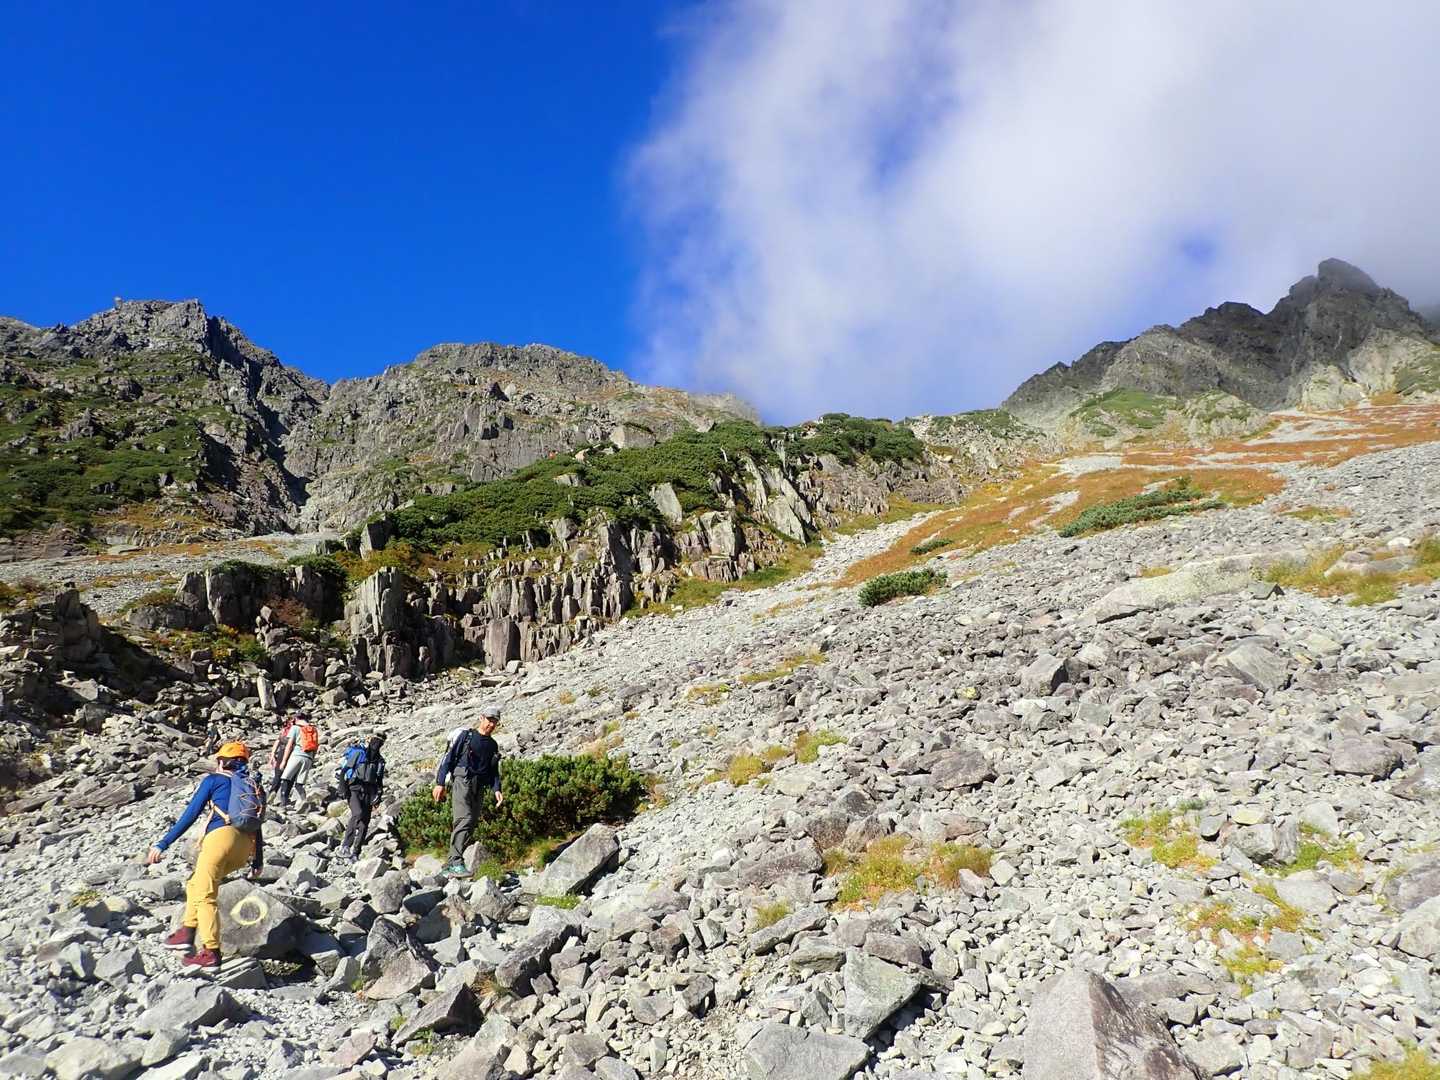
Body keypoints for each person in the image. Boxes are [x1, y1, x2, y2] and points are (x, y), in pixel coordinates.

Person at [146, 742, 265, 970]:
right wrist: (257, 859)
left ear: (222, 762)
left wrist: (164, 843)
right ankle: (187, 932)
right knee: (196, 883)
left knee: (205, 895)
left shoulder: (214, 780)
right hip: (243, 848)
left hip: (220, 839)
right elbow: (256, 823)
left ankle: (211, 952)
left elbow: (191, 813)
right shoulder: (251, 787)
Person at [432, 705, 504, 876]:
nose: (491, 724)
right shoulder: (466, 736)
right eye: (489, 720)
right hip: (462, 781)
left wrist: (497, 789)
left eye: (495, 721)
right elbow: (448, 760)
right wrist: (440, 783)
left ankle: (450, 865)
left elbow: (493, 770)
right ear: (481, 718)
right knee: (464, 819)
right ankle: (456, 862)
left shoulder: (492, 745)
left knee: (471, 824)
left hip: (479, 786)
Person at [337, 733, 387, 862]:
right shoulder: (359, 754)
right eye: (375, 740)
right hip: (354, 789)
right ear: (370, 740)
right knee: (357, 813)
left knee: (364, 823)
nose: (376, 744)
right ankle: (345, 846)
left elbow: (379, 781)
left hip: (369, 793)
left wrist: (378, 796)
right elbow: (344, 770)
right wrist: (342, 788)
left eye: (380, 742)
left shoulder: (380, 761)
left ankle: (356, 853)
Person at [275, 712, 321, 808]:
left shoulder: (295, 728)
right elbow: (316, 747)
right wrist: (312, 759)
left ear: (296, 719)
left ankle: (283, 804)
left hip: (296, 755)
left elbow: (289, 745)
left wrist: (283, 761)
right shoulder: (313, 729)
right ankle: (304, 801)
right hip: (308, 758)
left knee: (285, 779)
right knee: (299, 784)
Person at [266, 714, 295, 795]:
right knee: (285, 775)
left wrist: (273, 755)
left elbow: (278, 741)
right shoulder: (289, 729)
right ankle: (281, 794)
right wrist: (272, 755)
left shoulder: (286, 730)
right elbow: (278, 741)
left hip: (285, 752)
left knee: (279, 774)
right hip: (290, 753)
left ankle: (274, 792)